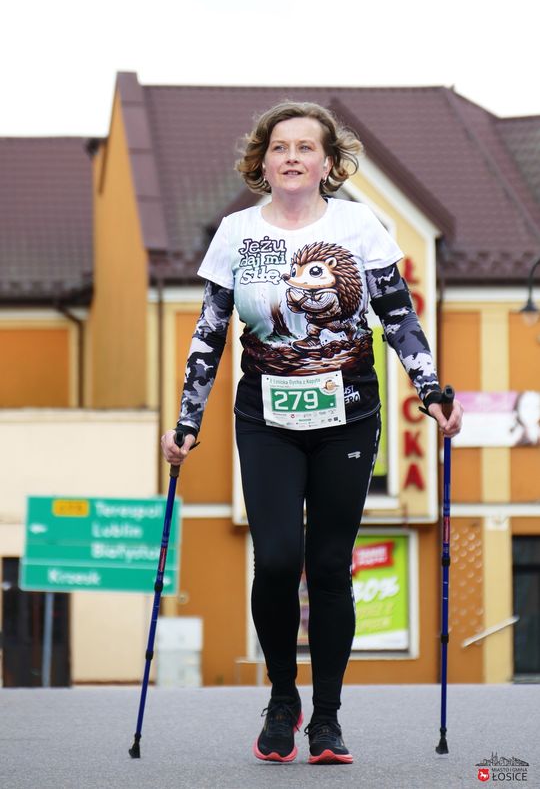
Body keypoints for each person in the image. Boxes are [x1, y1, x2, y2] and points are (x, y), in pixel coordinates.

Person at [161, 100, 463, 765]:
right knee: (275, 560)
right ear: (263, 161)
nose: (292, 156)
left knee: (328, 565)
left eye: (305, 147)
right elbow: (210, 333)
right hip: (265, 416)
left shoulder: (359, 225)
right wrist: (187, 419)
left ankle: (326, 717)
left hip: (346, 416)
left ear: (328, 163)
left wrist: (431, 389)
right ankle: (281, 697)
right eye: (280, 147)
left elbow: (397, 316)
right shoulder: (237, 232)